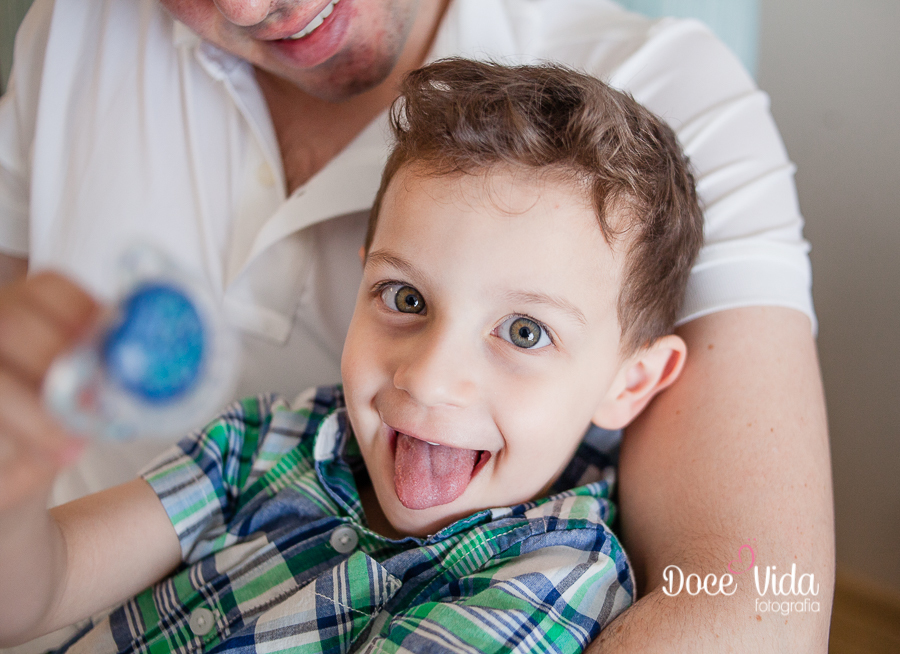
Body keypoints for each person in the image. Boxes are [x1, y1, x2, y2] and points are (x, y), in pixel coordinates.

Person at [0, 0, 834, 650]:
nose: (429, 377)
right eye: (405, 299)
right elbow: (39, 584)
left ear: (633, 381)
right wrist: (17, 480)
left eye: (525, 332)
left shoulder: (540, 588)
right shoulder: (274, 440)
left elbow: (765, 602)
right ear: (366, 267)